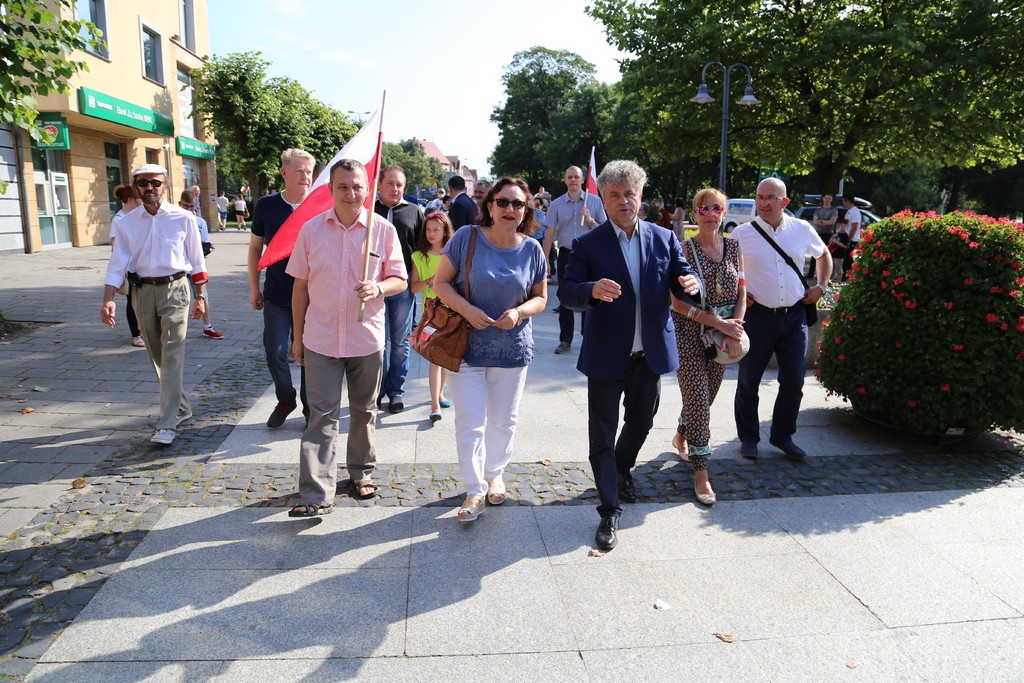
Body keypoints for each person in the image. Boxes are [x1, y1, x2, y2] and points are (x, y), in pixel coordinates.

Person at [558, 160, 701, 551]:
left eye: (630, 194)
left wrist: (691, 283)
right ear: (603, 199)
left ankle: (621, 470)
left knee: (642, 421)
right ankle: (609, 510)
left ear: (640, 197)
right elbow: (567, 292)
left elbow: (683, 277)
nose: (623, 201)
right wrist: (590, 289)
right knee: (602, 436)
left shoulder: (663, 238)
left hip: (649, 354)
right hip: (606, 356)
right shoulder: (588, 244)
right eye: (615, 195)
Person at [286, 159, 407, 516]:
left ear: (367, 189)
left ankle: (360, 472)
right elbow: (300, 286)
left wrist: (379, 286)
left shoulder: (383, 230)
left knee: (363, 411)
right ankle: (315, 495)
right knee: (320, 416)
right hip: (321, 338)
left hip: (365, 338)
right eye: (343, 186)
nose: (350, 193)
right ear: (330, 189)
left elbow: (400, 279)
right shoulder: (311, 229)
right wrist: (297, 336)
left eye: (357, 186)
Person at [433, 177, 548, 522]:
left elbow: (541, 298)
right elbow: (440, 283)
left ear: (526, 210)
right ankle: (474, 489)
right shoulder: (466, 237)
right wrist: (468, 310)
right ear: (490, 205)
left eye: (518, 204)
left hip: (512, 349)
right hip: (465, 346)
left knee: (503, 421)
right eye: (503, 202)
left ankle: (494, 473)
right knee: (470, 421)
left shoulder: (532, 249)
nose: (510, 209)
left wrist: (519, 312)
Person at [100, 164, 208, 446]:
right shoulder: (125, 222)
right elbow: (117, 263)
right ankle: (182, 406)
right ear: (136, 187)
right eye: (144, 183)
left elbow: (197, 260)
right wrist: (108, 298)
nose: (150, 187)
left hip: (176, 289)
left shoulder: (183, 217)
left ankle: (167, 423)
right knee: (157, 356)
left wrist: (201, 296)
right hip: (141, 291)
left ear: (165, 185)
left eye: (156, 183)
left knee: (172, 354)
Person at [730, 178, 831, 461]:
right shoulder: (741, 234)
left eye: (770, 198)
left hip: (794, 317)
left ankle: (783, 436)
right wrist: (740, 293)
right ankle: (749, 438)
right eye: (759, 197)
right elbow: (728, 269)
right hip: (757, 318)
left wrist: (821, 287)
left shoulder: (801, 229)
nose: (763, 203)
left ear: (784, 202)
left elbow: (823, 254)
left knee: (794, 380)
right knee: (748, 381)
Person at [670, 189, 746, 507]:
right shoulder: (683, 249)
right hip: (688, 333)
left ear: (724, 213)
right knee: (699, 400)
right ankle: (701, 472)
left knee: (706, 397)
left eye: (716, 209)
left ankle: (681, 433)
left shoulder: (734, 247)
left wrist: (735, 329)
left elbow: (743, 292)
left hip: (722, 338)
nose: (710, 214)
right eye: (703, 209)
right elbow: (676, 302)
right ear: (694, 214)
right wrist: (719, 324)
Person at [249, 148, 315, 429]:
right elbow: (255, 248)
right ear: (284, 172)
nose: (305, 176)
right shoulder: (266, 205)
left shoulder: (320, 205)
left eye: (309, 172)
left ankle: (311, 408)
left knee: (309, 353)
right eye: (299, 171)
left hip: (312, 296)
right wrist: (254, 287)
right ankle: (286, 399)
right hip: (277, 294)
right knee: (274, 350)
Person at [374, 165, 425, 413]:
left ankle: (395, 390)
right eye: (390, 183)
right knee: (377, 342)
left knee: (400, 342)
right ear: (379, 184)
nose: (395, 189)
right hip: (374, 287)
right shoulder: (368, 211)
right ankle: (376, 390)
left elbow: (422, 249)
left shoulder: (414, 211)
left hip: (402, 287)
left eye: (400, 185)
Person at [542, 166, 607, 354]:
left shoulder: (594, 201)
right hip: (566, 255)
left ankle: (589, 337)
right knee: (565, 297)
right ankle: (565, 339)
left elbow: (604, 231)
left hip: (589, 255)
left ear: (582, 180)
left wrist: (590, 219)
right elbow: (549, 233)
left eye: (576, 177)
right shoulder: (556, 204)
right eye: (569, 177)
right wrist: (545, 259)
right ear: (565, 180)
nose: (573, 180)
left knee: (591, 295)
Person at [410, 211, 455, 423]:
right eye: (428, 229)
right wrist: (430, 280)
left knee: (445, 356)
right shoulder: (418, 256)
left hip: (452, 310)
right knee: (434, 358)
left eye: (436, 229)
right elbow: (413, 287)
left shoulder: (452, 254)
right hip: (431, 312)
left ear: (445, 231)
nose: (431, 233)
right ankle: (434, 404)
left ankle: (440, 393)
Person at [178, 191, 223, 339]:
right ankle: (176, 328)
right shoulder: (173, 220)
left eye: (192, 206)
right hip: (178, 266)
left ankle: (207, 326)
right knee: (178, 297)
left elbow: (203, 244)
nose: (189, 210)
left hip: (194, 265)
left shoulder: (199, 222)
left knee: (202, 295)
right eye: (186, 206)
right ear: (180, 204)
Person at [110, 185, 146, 348]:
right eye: (139, 198)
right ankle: (136, 334)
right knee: (132, 301)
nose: (141, 201)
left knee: (143, 300)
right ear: (131, 199)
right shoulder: (119, 219)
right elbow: (116, 248)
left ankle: (146, 331)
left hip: (141, 265)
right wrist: (122, 270)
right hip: (129, 268)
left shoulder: (137, 217)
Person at [840, 192, 862, 280]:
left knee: (848, 258)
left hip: (852, 239)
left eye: (843, 201)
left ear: (848, 201)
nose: (843, 203)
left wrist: (849, 239)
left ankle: (849, 275)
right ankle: (845, 275)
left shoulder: (855, 212)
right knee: (845, 258)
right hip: (847, 237)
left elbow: (854, 227)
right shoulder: (849, 211)